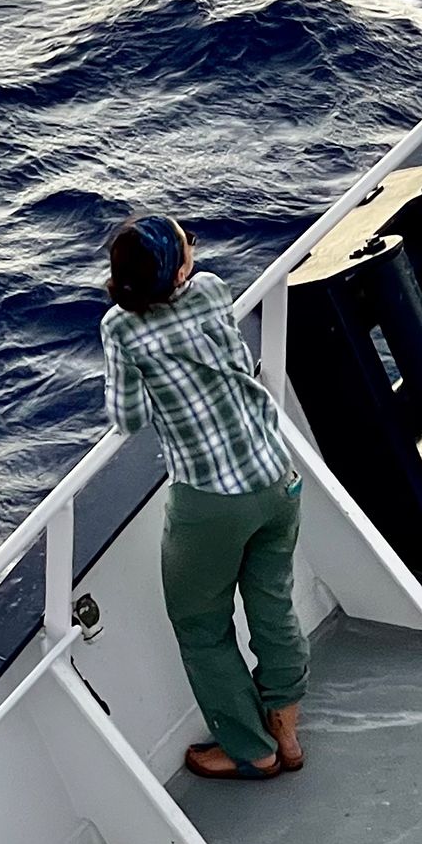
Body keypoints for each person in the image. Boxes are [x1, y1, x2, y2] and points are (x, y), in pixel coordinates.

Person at [99, 215, 307, 781]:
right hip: (275, 475)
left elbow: (128, 416)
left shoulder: (120, 328)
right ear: (179, 268)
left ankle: (251, 750)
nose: (194, 245)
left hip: (210, 501)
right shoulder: (213, 288)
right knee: (273, 604)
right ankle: (286, 731)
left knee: (201, 627)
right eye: (186, 242)